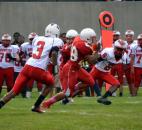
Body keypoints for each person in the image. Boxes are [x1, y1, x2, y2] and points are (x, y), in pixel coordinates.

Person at [0, 23, 63, 113]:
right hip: (38, 69)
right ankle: (36, 106)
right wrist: (55, 65)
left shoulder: (37, 38)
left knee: (14, 91)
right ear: (57, 32)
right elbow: (53, 53)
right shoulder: (57, 40)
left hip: (27, 66)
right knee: (51, 84)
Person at [41, 28, 97, 110]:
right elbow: (92, 61)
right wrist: (97, 51)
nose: (94, 39)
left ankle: (73, 89)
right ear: (87, 37)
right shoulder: (82, 45)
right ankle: (47, 103)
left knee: (90, 82)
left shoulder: (78, 41)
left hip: (77, 67)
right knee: (66, 93)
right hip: (70, 68)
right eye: (92, 37)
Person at [93, 39, 127, 105]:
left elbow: (123, 64)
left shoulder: (123, 55)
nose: (119, 51)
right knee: (85, 83)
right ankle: (69, 96)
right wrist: (98, 53)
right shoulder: (108, 52)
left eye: (121, 49)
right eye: (118, 49)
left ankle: (103, 98)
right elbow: (96, 60)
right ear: (114, 47)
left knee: (116, 84)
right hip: (97, 70)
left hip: (105, 73)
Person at [123, 29, 137, 96]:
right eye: (127, 36)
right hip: (125, 63)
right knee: (128, 79)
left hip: (133, 64)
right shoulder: (124, 43)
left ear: (133, 36)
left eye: (130, 36)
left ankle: (134, 93)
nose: (128, 37)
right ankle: (131, 93)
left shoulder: (136, 43)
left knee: (133, 79)